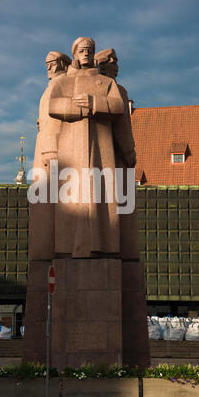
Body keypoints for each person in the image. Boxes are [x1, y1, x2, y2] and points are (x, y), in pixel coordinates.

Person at [46, 37, 125, 258]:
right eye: (82, 50)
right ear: (75, 53)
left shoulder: (105, 82)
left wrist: (94, 103)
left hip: (101, 147)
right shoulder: (63, 82)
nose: (86, 54)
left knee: (101, 197)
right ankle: (71, 246)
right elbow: (53, 105)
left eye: (89, 51)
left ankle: (104, 246)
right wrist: (77, 108)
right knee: (73, 199)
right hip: (70, 149)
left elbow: (118, 105)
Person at [95, 48, 140, 260]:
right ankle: (123, 251)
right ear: (104, 65)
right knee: (122, 210)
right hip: (117, 158)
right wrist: (129, 150)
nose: (117, 66)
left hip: (96, 160)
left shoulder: (92, 90)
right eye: (113, 62)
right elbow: (123, 124)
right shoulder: (117, 90)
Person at [29, 51, 71, 260]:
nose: (48, 67)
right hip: (44, 145)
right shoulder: (51, 86)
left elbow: (58, 121)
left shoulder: (63, 84)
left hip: (52, 149)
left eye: (52, 63)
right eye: (46, 64)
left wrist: (52, 151)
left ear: (63, 63)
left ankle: (55, 249)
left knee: (56, 206)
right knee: (44, 206)